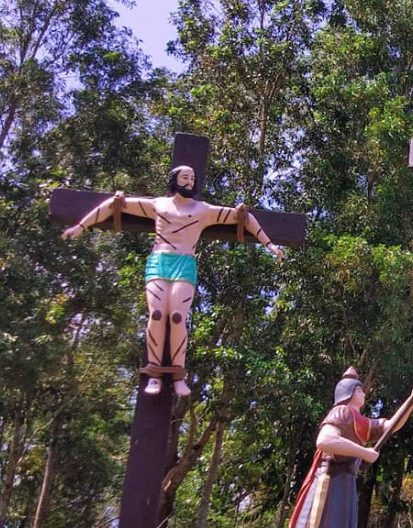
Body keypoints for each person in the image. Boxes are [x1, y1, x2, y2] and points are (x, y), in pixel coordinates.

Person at [61, 165, 284, 397]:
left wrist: (270, 245)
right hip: (159, 261)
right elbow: (114, 205)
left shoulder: (203, 210)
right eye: (184, 177)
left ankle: (178, 374)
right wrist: (81, 226)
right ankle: (154, 374)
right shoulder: (158, 205)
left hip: (185, 264)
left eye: (192, 178)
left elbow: (244, 218)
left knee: (177, 317)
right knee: (157, 314)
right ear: (174, 180)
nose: (188, 182)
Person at [276, 367, 413, 528]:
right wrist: (364, 452)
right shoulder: (341, 413)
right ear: (350, 392)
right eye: (361, 390)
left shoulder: (360, 421)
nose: (364, 394)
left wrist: (412, 400)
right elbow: (324, 441)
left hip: (345, 484)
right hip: (327, 480)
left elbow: (390, 426)